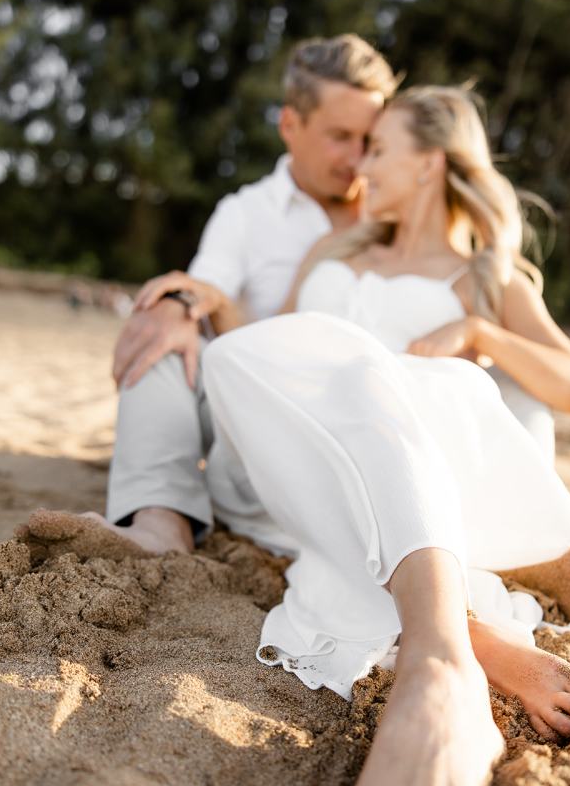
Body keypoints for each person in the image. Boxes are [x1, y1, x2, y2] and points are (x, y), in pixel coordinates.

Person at [191, 85, 570, 786]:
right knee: (237, 357)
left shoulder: (487, 278)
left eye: (379, 149)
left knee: (381, 384)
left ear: (430, 162)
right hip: (288, 482)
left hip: (404, 479)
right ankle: (468, 628)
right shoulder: (334, 251)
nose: (361, 165)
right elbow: (281, 352)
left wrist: (481, 330)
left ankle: (439, 662)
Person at [105, 34, 399, 555]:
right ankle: (161, 521)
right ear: (291, 125)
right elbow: (208, 287)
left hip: (361, 413)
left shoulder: (398, 213)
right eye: (340, 136)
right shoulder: (246, 214)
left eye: (369, 140)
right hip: (251, 415)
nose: (358, 158)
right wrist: (177, 305)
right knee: (162, 344)